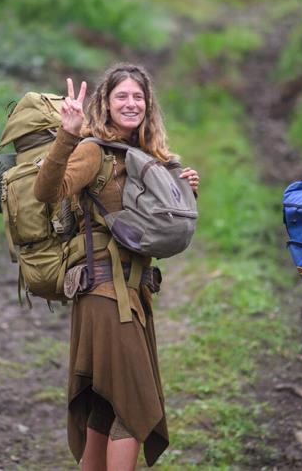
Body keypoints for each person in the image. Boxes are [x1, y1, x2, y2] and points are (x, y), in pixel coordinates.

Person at [34, 63, 199, 470]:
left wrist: (182, 193)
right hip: (106, 295)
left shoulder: (148, 158)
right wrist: (68, 135)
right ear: (105, 104)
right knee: (132, 404)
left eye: (138, 97)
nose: (131, 103)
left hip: (133, 294)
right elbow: (46, 190)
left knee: (104, 406)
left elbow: (154, 231)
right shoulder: (92, 150)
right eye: (121, 96)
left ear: (148, 105)